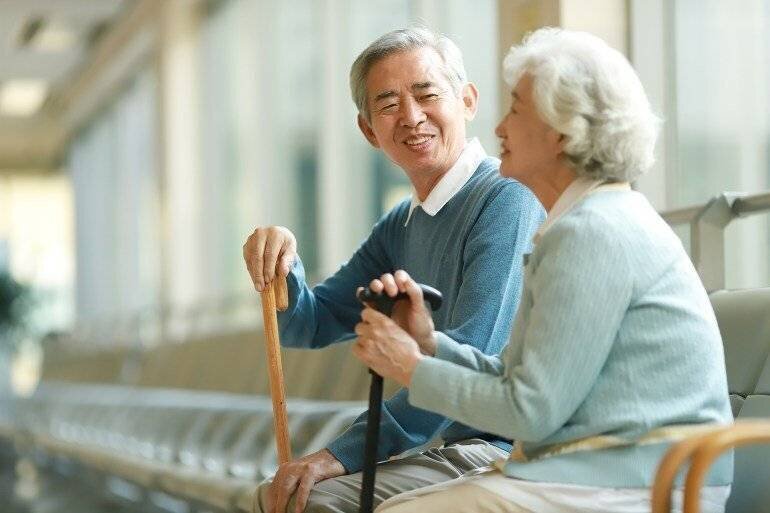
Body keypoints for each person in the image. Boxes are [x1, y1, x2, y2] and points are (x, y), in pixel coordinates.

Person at [353, 28, 734, 513]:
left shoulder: (593, 233)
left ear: (558, 131)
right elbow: (519, 379)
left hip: (638, 483)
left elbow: (529, 412)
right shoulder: (581, 222)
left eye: (515, 110)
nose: (499, 129)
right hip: (601, 471)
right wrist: (429, 343)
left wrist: (410, 366)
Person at [242, 27, 544, 513]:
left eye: (427, 94)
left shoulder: (506, 200)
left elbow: (466, 366)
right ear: (368, 131)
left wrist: (339, 455)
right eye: (387, 105)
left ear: (466, 101)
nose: (411, 117)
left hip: (503, 448)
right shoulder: (402, 223)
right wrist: (284, 263)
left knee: (313, 501)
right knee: (278, 495)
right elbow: (309, 324)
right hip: (440, 445)